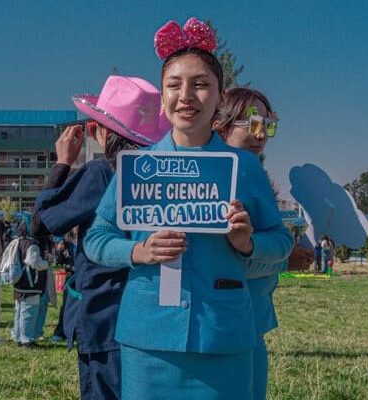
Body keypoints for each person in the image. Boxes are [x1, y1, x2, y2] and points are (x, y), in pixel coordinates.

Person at [84, 18, 293, 398]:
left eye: (200, 84)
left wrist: (248, 245)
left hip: (223, 336)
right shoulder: (138, 166)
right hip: (148, 340)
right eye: (174, 85)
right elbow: (96, 238)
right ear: (163, 96)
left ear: (218, 94)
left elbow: (281, 242)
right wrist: (138, 250)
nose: (187, 96)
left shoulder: (243, 167)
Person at [32, 74, 172, 399]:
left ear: (102, 130)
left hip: (104, 318)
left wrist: (63, 162)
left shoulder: (101, 173)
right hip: (149, 313)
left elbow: (41, 223)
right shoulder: (159, 177)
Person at [214, 86, 313, 400]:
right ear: (222, 124)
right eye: (255, 124)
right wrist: (285, 260)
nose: (263, 134)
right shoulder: (225, 174)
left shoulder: (252, 170)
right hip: (230, 318)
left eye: (269, 126)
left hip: (250, 315)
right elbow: (221, 259)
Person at [9, 219, 49, 347]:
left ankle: (18, 336)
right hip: (30, 283)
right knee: (29, 311)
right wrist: (46, 263)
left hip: (19, 282)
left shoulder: (17, 241)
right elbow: (34, 263)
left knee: (20, 310)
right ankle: (27, 339)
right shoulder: (32, 244)